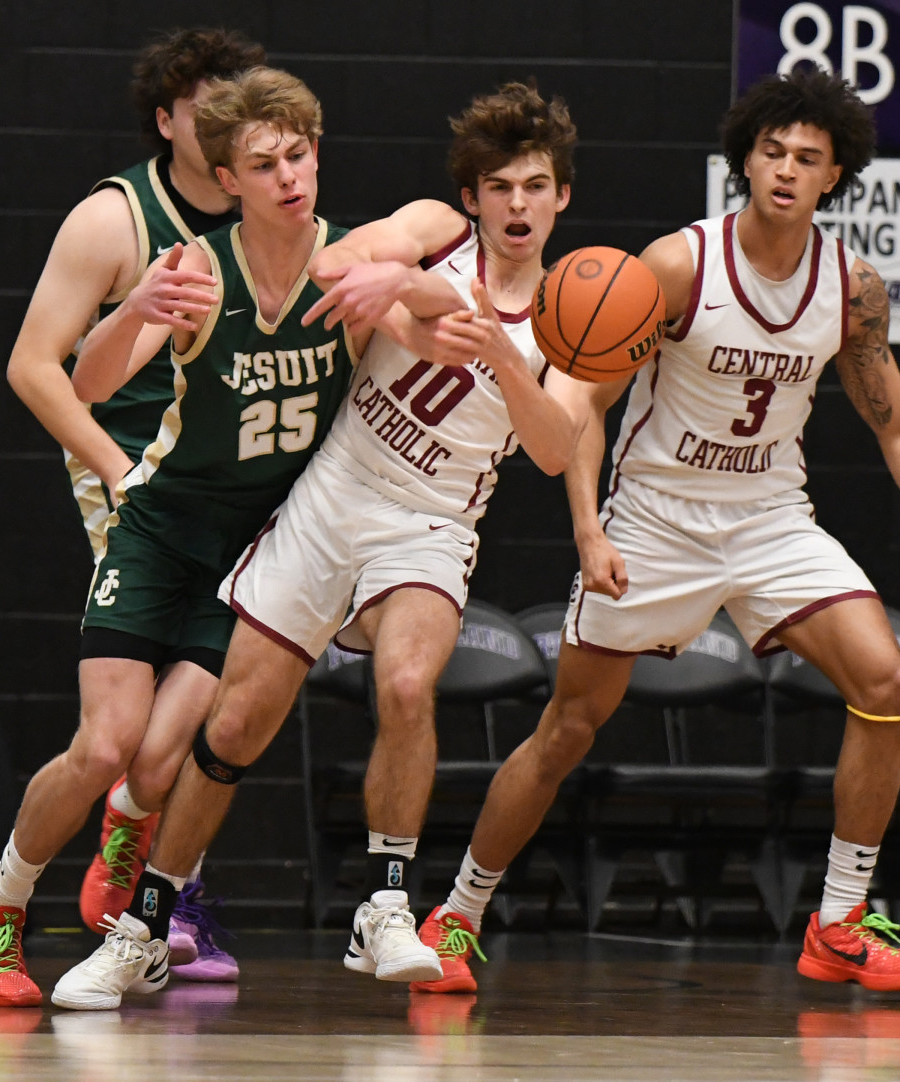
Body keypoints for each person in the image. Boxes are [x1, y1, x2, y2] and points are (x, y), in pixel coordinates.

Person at [410, 66, 900, 996]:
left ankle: (841, 922)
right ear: (744, 158)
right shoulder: (678, 265)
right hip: (656, 522)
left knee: (889, 679)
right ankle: (457, 913)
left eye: (807, 158)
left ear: (833, 177)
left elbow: (894, 421)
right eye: (771, 150)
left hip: (773, 518)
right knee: (569, 727)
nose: (785, 168)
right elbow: (584, 402)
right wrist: (589, 533)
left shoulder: (851, 287)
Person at [49, 80, 594, 1010]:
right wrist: (406, 281)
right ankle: (143, 925)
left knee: (410, 681)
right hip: (333, 492)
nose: (516, 205)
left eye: (535, 187)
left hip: (432, 521)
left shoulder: (580, 310)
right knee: (232, 731)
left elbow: (553, 447)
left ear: (561, 198)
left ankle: (384, 904)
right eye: (499, 187)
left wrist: (500, 348)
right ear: (471, 197)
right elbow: (344, 256)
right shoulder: (434, 225)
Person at [0, 63, 369, 1008]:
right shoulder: (188, 266)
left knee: (159, 755)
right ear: (228, 177)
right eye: (265, 163)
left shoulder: (349, 261)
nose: (290, 177)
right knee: (107, 746)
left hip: (259, 548)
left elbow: (437, 224)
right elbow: (87, 381)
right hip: (160, 525)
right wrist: (132, 311)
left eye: (300, 155)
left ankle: (131, 880)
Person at [1, 27, 268, 980]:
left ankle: (144, 871)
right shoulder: (113, 219)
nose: (231, 125)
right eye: (206, 109)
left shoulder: (270, 203)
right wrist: (115, 466)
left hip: (225, 475)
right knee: (127, 722)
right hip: (131, 461)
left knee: (209, 707)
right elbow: (35, 367)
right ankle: (130, 885)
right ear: (167, 120)